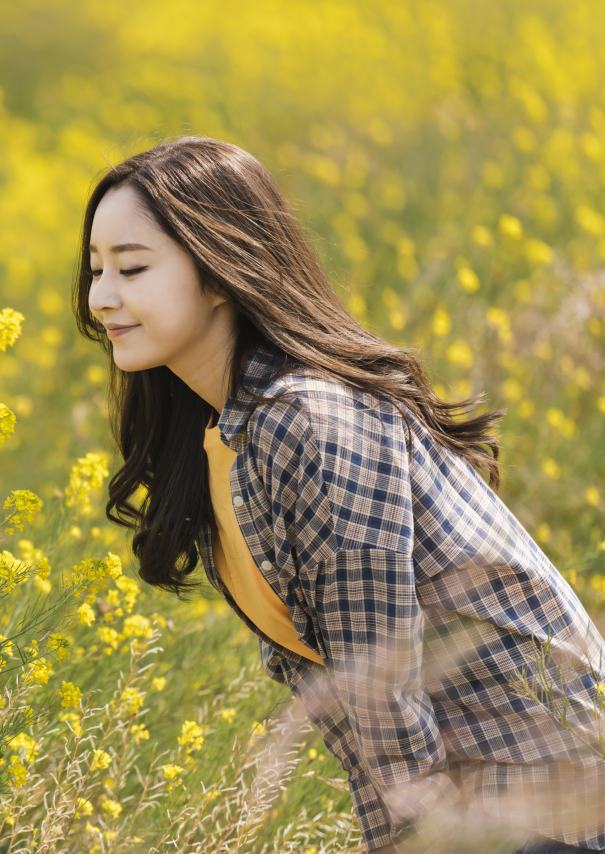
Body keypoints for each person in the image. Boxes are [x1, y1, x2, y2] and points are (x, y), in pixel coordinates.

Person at [74, 137, 605, 854]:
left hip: (543, 799)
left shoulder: (310, 422)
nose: (100, 296)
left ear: (222, 272)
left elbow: (379, 675)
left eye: (131, 268)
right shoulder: (215, 435)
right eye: (96, 269)